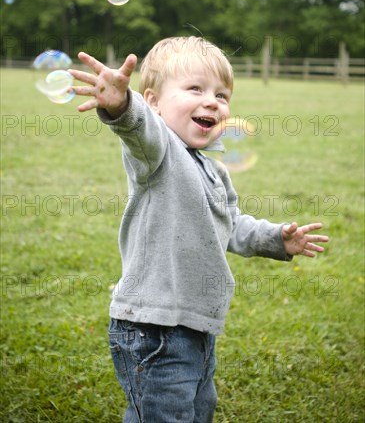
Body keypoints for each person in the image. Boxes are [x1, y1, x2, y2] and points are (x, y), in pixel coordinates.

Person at [68, 36, 329, 423]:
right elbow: (139, 130)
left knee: (198, 410)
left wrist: (277, 239)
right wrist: (122, 106)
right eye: (195, 89)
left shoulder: (214, 169)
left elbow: (232, 224)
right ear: (154, 102)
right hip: (153, 329)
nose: (213, 102)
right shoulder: (157, 155)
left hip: (197, 324)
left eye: (222, 95)